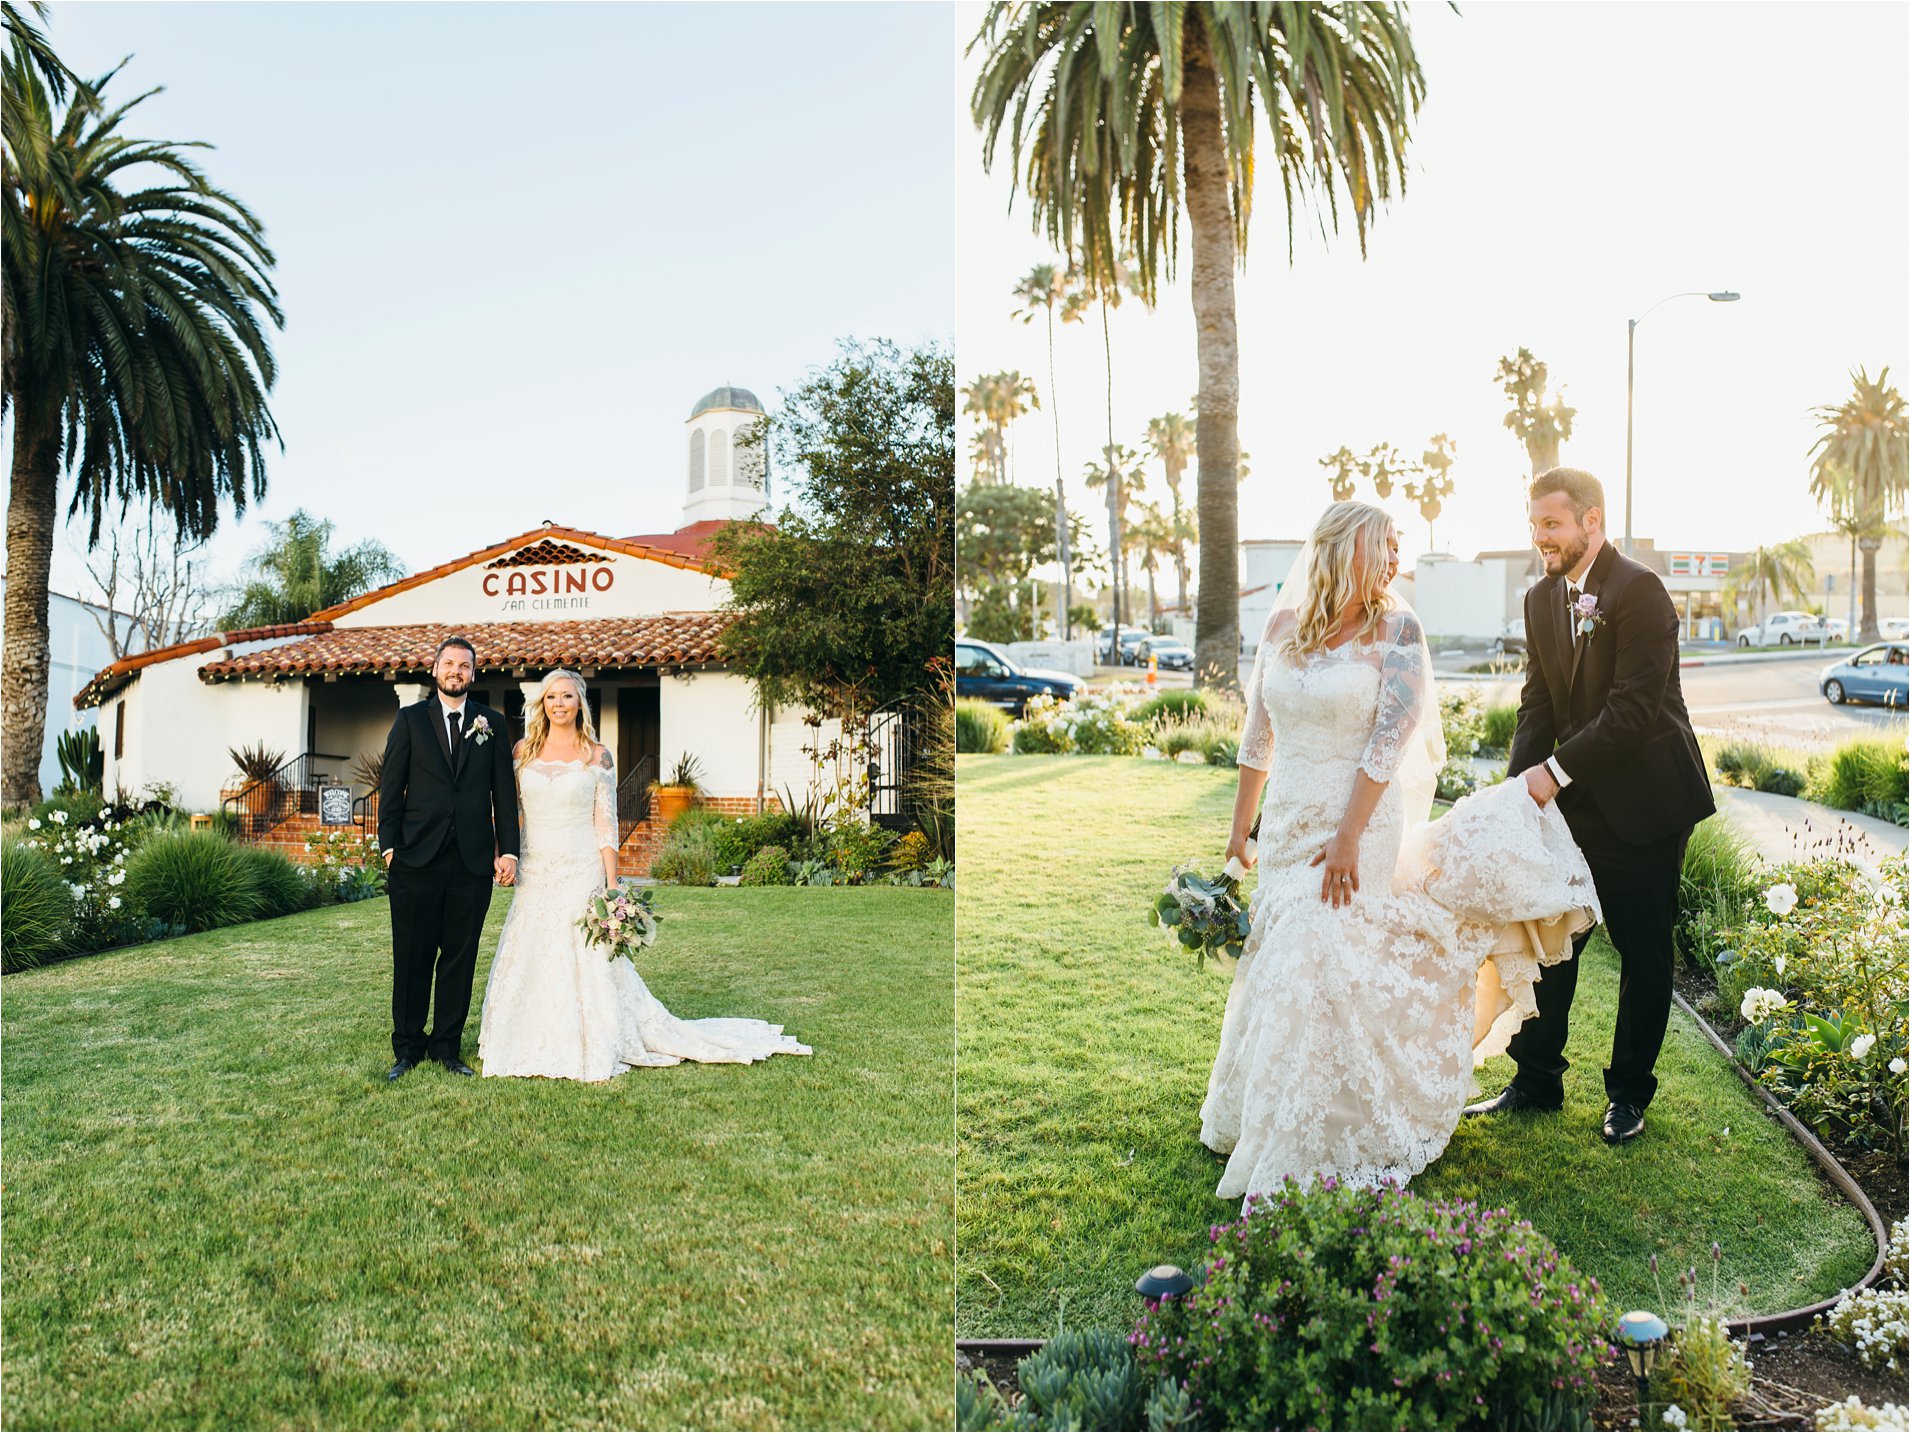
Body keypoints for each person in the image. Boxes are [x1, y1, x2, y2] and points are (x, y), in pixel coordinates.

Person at [1198, 501, 1600, 1206]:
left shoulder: (1398, 627)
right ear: (1342, 546)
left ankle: (1338, 1125)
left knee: (1317, 941)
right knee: (1283, 948)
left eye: (1398, 549)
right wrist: (1242, 830)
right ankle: (1269, 1108)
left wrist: (1350, 835)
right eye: (1383, 547)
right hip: (1291, 818)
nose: (1393, 562)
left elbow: (1392, 736)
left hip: (1361, 817)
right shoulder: (1282, 627)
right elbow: (1259, 737)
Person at [1465, 468, 1714, 1144]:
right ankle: (1537, 1080)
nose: (1539, 536)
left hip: (1647, 802)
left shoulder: (1641, 591)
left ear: (1591, 520)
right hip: (1569, 803)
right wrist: (1516, 793)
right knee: (1552, 937)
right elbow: (1539, 702)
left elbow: (1633, 711)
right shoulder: (1542, 599)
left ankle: (1629, 1094)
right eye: (1533, 523)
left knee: (1643, 950)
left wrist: (1555, 771)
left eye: (1551, 523)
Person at [476, 668, 811, 1081]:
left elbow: (605, 823)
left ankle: (589, 1038)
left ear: (580, 702)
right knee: (532, 945)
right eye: (551, 697)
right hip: (536, 863)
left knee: (582, 954)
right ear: (541, 704)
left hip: (581, 865)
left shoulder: (596, 754)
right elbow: (512, 812)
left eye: (566, 696)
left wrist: (613, 884)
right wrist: (502, 853)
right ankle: (523, 1038)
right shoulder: (522, 751)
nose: (558, 704)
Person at [377, 636, 519, 1081]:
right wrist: (388, 846)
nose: (456, 671)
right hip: (415, 859)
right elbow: (390, 788)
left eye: (464, 666)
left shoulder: (490, 723)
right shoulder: (410, 720)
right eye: (449, 664)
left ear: (474, 674)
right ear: (435, 670)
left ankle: (446, 1048)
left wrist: (509, 849)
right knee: (413, 955)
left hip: (472, 863)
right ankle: (407, 1048)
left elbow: (504, 795)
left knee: (460, 957)